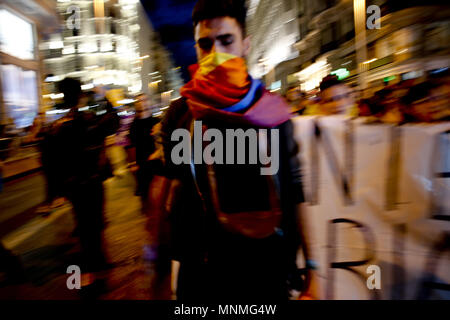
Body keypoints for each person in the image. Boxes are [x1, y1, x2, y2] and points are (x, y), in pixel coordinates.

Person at [158, 0, 319, 301]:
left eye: (226, 41)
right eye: (205, 44)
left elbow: (294, 193)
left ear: (245, 44)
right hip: (204, 276)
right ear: (196, 49)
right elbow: (179, 196)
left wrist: (309, 266)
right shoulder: (181, 116)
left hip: (266, 273)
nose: (216, 53)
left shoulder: (274, 114)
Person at [52, 78, 119, 287]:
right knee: (94, 225)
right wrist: (104, 97)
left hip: (75, 185)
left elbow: (55, 161)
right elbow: (112, 122)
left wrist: (60, 189)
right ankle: (97, 269)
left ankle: (92, 270)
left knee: (85, 226)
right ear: (80, 94)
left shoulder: (61, 126)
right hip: (92, 182)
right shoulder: (89, 119)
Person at [129, 93, 159, 207]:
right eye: (138, 101)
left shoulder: (156, 122)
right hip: (142, 164)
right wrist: (132, 164)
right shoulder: (134, 125)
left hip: (156, 162)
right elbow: (132, 145)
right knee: (145, 195)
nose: (141, 103)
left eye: (144, 100)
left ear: (148, 102)